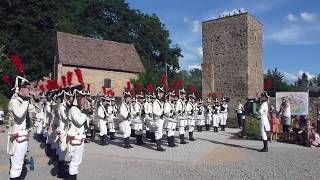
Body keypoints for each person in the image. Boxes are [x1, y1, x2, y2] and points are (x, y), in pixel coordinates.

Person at [7, 76, 33, 179]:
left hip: (23, 137)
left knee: (19, 165)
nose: (29, 90)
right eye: (27, 88)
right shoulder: (14, 100)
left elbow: (34, 111)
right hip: (17, 138)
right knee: (16, 168)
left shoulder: (22, 101)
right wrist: (27, 99)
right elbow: (19, 114)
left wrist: (33, 99)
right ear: (21, 89)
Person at [67, 89, 89, 179]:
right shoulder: (73, 109)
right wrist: (85, 112)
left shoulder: (79, 109)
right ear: (78, 99)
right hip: (75, 138)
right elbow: (79, 122)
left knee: (77, 161)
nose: (85, 100)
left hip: (79, 138)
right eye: (83, 98)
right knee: (74, 162)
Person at [152, 87, 166, 151]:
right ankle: (158, 147)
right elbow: (154, 111)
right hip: (158, 119)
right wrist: (160, 113)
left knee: (160, 133)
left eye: (162, 93)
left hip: (161, 119)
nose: (162, 94)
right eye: (161, 93)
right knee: (158, 133)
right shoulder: (155, 102)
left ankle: (159, 145)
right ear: (158, 94)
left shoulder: (160, 102)